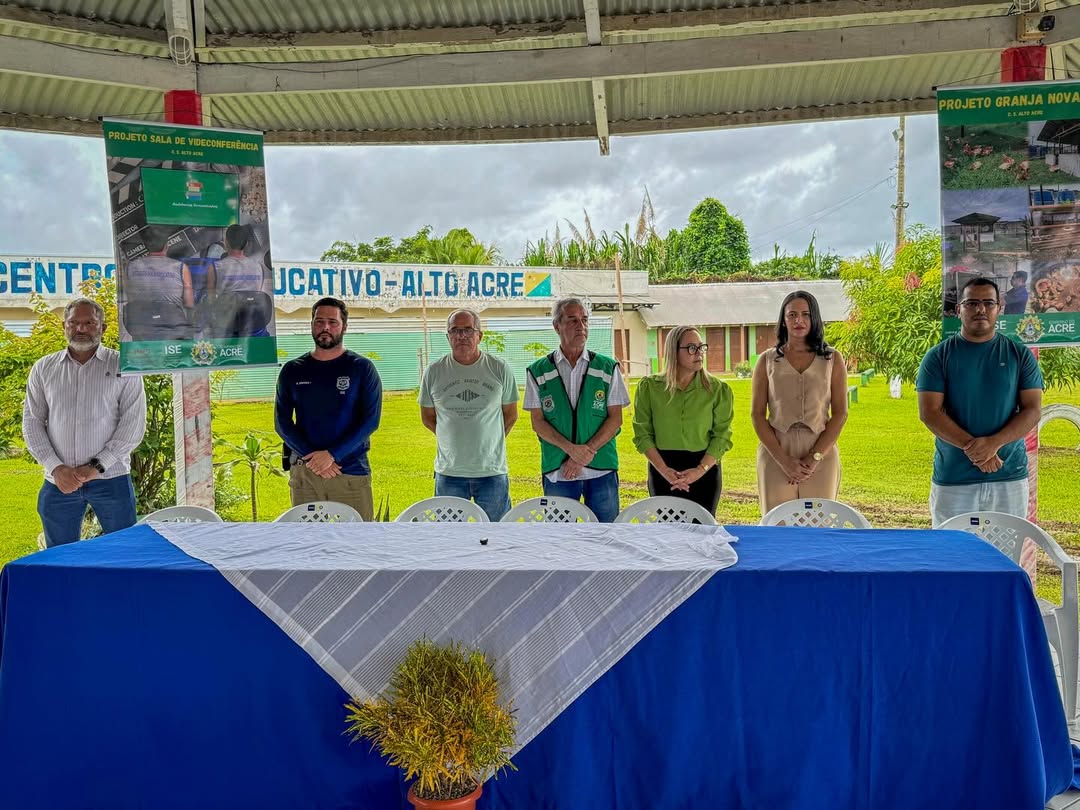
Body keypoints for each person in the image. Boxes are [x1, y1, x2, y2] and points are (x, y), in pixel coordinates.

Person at [916, 277, 1043, 527]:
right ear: (958, 309)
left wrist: (993, 444)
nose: (980, 309)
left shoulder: (1019, 355)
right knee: (951, 550)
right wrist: (975, 450)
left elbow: (1032, 410)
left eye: (988, 303)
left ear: (999, 308)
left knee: (1005, 550)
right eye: (972, 303)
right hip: (954, 478)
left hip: (1008, 475)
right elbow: (930, 412)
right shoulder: (938, 357)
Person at [22, 298, 147, 547]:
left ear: (103, 327)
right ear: (64, 326)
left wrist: (97, 466)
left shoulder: (124, 366)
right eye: (73, 322)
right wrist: (56, 468)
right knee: (60, 556)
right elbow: (32, 422)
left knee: (123, 552)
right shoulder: (44, 368)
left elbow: (132, 425)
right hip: (59, 482)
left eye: (89, 322)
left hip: (111, 479)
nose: (80, 329)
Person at [275, 297, 382, 520]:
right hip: (306, 473)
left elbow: (370, 420)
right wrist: (313, 459)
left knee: (357, 538)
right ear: (312, 324)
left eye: (332, 322)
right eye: (319, 321)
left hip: (349, 472)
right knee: (307, 538)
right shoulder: (293, 370)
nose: (325, 327)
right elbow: (282, 423)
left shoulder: (361, 368)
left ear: (344, 326)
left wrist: (333, 455)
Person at [523, 298, 629, 523]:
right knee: (560, 537)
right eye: (572, 320)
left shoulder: (607, 367)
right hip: (559, 470)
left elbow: (616, 419)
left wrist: (585, 453)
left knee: (605, 534)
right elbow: (538, 422)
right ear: (557, 326)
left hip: (601, 468)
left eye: (584, 320)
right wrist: (571, 450)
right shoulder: (538, 371)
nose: (581, 326)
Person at [751, 290, 848, 516]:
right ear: (783, 320)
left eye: (806, 314)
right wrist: (784, 460)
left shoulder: (832, 359)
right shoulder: (767, 360)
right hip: (776, 451)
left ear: (814, 318)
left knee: (818, 524)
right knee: (779, 523)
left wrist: (814, 458)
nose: (799, 321)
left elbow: (840, 413)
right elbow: (757, 415)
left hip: (821, 451)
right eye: (792, 315)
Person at [418, 309, 519, 521]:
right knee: (450, 535)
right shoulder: (434, 371)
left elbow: (510, 415)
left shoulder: (499, 368)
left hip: (491, 472)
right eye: (455, 330)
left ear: (479, 335)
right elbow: (428, 417)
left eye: (468, 330)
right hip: (449, 473)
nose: (461, 335)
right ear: (448, 336)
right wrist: (452, 439)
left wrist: (489, 441)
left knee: (497, 533)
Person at [632, 326, 733, 517]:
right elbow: (642, 434)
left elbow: (722, 436)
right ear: (673, 351)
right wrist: (664, 471)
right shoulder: (649, 388)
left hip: (704, 471)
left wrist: (699, 471)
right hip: (663, 471)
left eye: (701, 347)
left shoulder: (719, 390)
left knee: (702, 531)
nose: (699, 352)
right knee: (667, 532)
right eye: (692, 348)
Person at [121, 226, 193, 340]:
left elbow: (131, 298)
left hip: (142, 328)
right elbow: (189, 303)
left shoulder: (131, 267)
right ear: (166, 246)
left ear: (145, 246)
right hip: (173, 329)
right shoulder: (180, 267)